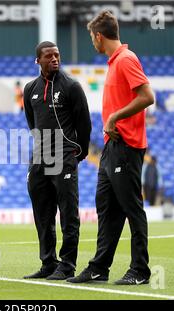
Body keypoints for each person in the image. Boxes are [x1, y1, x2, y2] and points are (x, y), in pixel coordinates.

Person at [68, 10, 154, 285]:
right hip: (112, 146)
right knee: (106, 207)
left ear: (98, 36)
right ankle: (99, 268)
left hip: (126, 145)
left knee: (131, 208)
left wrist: (116, 116)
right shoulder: (115, 62)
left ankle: (140, 270)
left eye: (92, 37)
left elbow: (147, 96)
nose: (92, 42)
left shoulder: (126, 60)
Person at [23, 41, 91, 281]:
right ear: (38, 61)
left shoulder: (72, 86)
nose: (54, 59)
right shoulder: (30, 88)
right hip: (40, 157)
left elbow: (84, 124)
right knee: (42, 212)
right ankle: (48, 263)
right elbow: (32, 123)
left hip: (64, 155)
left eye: (57, 55)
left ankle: (68, 265)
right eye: (49, 56)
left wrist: (78, 153)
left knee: (68, 213)